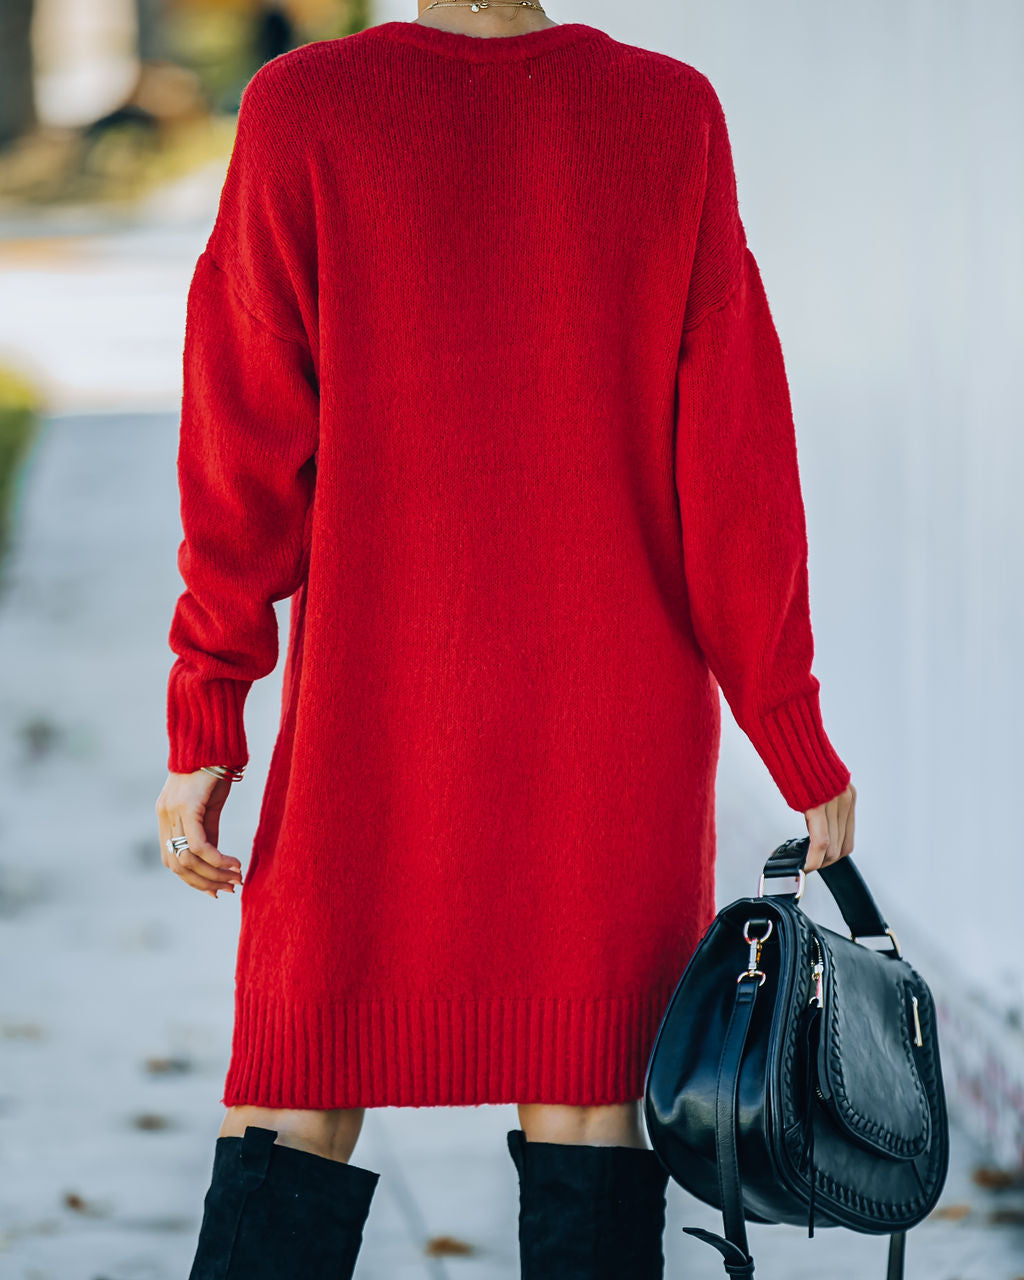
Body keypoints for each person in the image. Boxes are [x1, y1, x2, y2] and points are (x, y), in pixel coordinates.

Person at [154, 3, 856, 1277]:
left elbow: (239, 444)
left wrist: (209, 714)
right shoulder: (664, 110)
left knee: (294, 1090)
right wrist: (787, 724)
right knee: (586, 1103)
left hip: (377, 719)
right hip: (607, 727)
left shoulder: (305, 110)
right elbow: (737, 461)